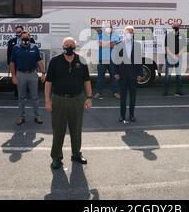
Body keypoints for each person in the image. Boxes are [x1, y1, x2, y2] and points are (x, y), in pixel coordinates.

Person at [45, 37, 93, 169]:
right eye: (66, 45)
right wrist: (47, 101)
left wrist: (89, 97)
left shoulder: (81, 61)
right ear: (62, 47)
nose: (69, 47)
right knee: (58, 130)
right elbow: (48, 82)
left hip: (77, 99)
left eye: (71, 45)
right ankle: (56, 157)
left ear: (75, 46)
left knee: (76, 129)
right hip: (59, 99)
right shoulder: (55, 61)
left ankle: (76, 154)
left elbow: (87, 81)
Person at [10, 31, 45, 125]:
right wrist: (13, 76)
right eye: (23, 38)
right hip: (21, 75)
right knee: (21, 97)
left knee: (35, 97)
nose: (25, 40)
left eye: (27, 38)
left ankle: (37, 116)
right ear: (20, 39)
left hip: (33, 74)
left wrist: (43, 73)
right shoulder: (16, 48)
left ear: (30, 38)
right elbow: (12, 63)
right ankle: (22, 117)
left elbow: (39, 61)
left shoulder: (34, 47)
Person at [114, 26, 144, 123]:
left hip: (133, 75)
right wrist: (116, 72)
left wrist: (140, 74)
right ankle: (122, 116)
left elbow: (139, 61)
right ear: (124, 33)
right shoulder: (118, 45)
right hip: (122, 75)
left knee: (133, 96)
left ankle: (131, 115)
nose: (129, 34)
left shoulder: (137, 45)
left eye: (131, 32)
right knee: (123, 97)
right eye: (128, 32)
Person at [7, 26, 35, 98]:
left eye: (19, 31)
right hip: (16, 63)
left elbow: (34, 51)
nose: (18, 33)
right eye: (17, 32)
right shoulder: (11, 41)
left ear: (23, 31)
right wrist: (9, 63)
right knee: (16, 78)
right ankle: (17, 93)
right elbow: (9, 53)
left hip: (27, 63)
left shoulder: (30, 40)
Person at [94, 22, 120, 100]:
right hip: (102, 60)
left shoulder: (115, 36)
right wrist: (109, 43)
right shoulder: (100, 36)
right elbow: (101, 44)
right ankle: (98, 92)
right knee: (100, 77)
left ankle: (115, 92)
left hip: (112, 60)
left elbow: (113, 45)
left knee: (114, 77)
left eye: (109, 27)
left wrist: (105, 43)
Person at [163, 23, 187, 96]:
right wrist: (173, 55)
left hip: (179, 57)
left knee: (178, 75)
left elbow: (184, 47)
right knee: (168, 75)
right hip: (170, 57)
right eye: (174, 26)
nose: (175, 27)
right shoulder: (169, 35)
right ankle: (165, 91)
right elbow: (166, 47)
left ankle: (178, 91)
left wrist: (178, 54)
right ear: (172, 27)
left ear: (179, 27)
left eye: (177, 26)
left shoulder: (182, 35)